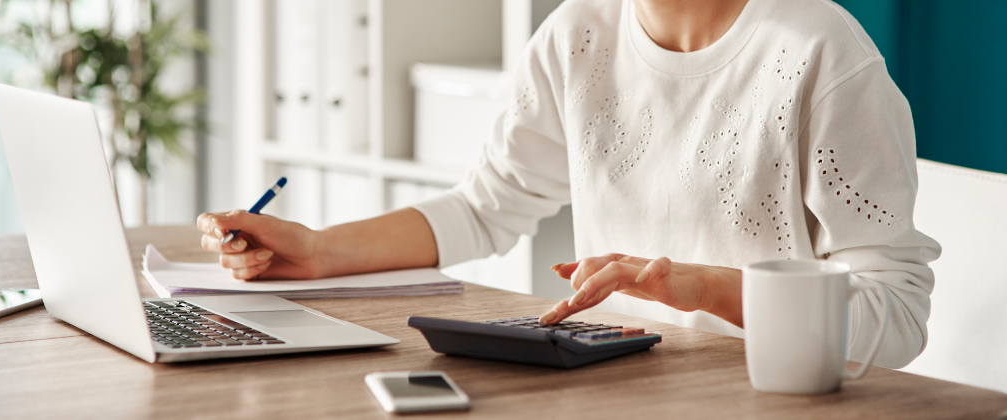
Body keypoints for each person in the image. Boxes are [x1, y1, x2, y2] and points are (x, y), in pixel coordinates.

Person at [196, 0, 940, 368]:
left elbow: (896, 319)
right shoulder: (576, 33)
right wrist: (318, 251)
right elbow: (485, 207)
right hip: (622, 394)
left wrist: (706, 288)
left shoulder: (820, 52)